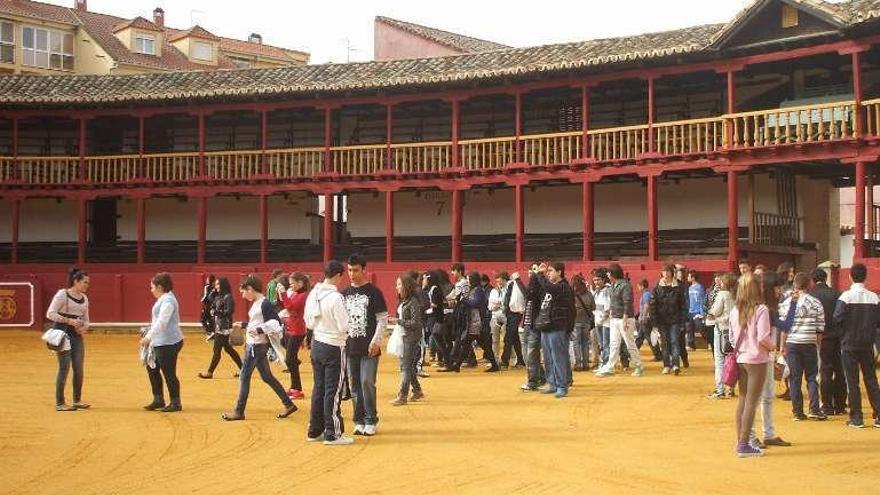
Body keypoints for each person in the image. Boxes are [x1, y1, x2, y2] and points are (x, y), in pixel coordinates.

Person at [222, 274, 297, 421]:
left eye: (243, 292)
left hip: (255, 346)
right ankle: (288, 404)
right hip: (256, 345)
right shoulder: (259, 303)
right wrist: (244, 325)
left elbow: (276, 323)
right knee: (267, 377)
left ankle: (239, 411)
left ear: (250, 288)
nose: (243, 295)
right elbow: (259, 322)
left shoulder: (264, 303)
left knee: (244, 376)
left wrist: (259, 330)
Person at [305, 260, 353, 445]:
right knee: (332, 391)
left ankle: (314, 430)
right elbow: (343, 325)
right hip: (334, 346)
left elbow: (308, 322)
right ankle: (332, 433)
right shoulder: (336, 297)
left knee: (319, 388)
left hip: (317, 343)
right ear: (338, 275)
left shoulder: (314, 293)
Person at [342, 254, 388, 437]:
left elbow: (382, 319)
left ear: (363, 270)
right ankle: (358, 419)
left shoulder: (374, 292)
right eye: (349, 270)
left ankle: (371, 419)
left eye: (355, 270)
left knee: (367, 381)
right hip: (350, 345)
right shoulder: (344, 293)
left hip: (369, 346)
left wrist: (376, 341)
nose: (352, 274)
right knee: (355, 385)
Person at [729, 274, 774, 458]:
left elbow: (732, 338)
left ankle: (741, 439)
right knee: (752, 402)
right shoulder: (761, 309)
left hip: (741, 357)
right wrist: (774, 348)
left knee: (743, 399)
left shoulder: (735, 311)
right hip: (757, 358)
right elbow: (763, 337)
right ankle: (744, 444)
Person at [750, 271, 795, 449]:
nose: (779, 290)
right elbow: (785, 326)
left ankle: (764, 434)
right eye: (777, 287)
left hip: (759, 356)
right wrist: (793, 304)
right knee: (760, 397)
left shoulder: (762, 308)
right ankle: (757, 435)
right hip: (761, 356)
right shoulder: (765, 310)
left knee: (764, 396)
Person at [832, 263, 880, 428]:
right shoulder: (874, 297)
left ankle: (857, 418)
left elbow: (837, 319)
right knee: (872, 380)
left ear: (850, 276)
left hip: (849, 344)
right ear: (865, 277)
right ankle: (879, 416)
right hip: (867, 344)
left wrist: (843, 336)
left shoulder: (845, 296)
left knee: (852, 381)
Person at [780, 272, 826, 421]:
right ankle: (814, 409)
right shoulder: (816, 303)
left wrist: (782, 346)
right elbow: (820, 328)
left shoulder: (787, 303)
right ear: (809, 285)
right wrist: (817, 345)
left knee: (794, 378)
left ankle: (797, 412)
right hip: (809, 342)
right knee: (812, 376)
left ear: (795, 285)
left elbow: (784, 328)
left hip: (792, 343)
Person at [46, 267, 91, 411]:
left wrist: (83, 328)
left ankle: (77, 400)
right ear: (76, 281)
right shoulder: (62, 294)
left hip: (76, 335)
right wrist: (70, 322)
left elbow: (86, 320)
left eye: (87, 283)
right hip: (62, 334)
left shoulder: (84, 298)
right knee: (64, 368)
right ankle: (60, 403)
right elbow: (50, 314)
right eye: (84, 282)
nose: (87, 285)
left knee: (79, 368)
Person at [141, 272, 184, 413]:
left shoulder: (168, 301)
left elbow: (162, 322)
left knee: (168, 372)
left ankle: (175, 402)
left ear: (160, 287)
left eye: (152, 287)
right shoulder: (165, 298)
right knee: (152, 369)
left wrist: (148, 336)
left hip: (168, 342)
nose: (151, 290)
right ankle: (158, 399)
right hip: (160, 341)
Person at [442, 272, 500, 373]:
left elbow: (476, 303)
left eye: (469, 279)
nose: (468, 281)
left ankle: (457, 365)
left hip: (477, 322)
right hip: (474, 321)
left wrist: (464, 300)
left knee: (468, 343)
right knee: (477, 344)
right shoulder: (475, 290)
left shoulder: (478, 291)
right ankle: (458, 365)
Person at [532, 262, 575, 397]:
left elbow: (548, 287)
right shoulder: (549, 288)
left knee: (558, 357)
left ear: (559, 272)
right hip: (547, 326)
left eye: (551, 271)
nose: (548, 273)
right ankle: (552, 383)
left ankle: (562, 385)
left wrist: (540, 274)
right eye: (548, 271)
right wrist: (535, 276)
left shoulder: (563, 287)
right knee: (548, 358)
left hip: (558, 326)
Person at [596, 264, 645, 377]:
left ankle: (639, 365)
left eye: (609, 273)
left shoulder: (625, 285)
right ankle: (610, 366)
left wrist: (625, 318)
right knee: (614, 343)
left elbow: (627, 302)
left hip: (624, 318)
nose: (607, 275)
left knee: (629, 343)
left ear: (613, 273)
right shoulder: (614, 285)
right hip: (615, 318)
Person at [809, 269, 846, 416]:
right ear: (826, 278)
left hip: (821, 337)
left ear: (813, 280)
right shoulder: (836, 293)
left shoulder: (811, 296)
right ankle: (840, 405)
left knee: (825, 370)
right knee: (839, 369)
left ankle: (827, 405)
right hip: (837, 336)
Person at [390, 274, 425, 406]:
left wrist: (398, 321)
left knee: (405, 367)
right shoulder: (406, 301)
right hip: (405, 336)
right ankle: (416, 390)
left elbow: (416, 323)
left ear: (406, 286)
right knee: (407, 366)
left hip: (410, 337)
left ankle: (403, 395)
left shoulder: (413, 302)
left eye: (399, 284)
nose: (397, 287)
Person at [198, 277, 242, 379]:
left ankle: (210, 372)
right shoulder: (220, 296)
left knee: (217, 350)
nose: (216, 286)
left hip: (223, 327)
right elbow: (210, 300)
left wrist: (217, 312)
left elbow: (230, 311)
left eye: (218, 285)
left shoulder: (228, 297)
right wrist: (213, 292)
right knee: (228, 349)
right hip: (219, 326)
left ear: (223, 285)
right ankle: (243, 369)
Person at [280, 272, 310, 400]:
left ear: (300, 283)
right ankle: (294, 387)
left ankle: (297, 388)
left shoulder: (303, 295)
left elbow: (290, 307)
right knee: (291, 359)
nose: (291, 285)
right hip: (294, 329)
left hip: (297, 330)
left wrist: (283, 294)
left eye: (293, 283)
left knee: (289, 359)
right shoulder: (298, 293)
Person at [653, 264, 687, 375]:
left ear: (672, 273)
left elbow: (683, 305)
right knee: (665, 343)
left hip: (675, 319)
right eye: (664, 271)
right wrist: (654, 321)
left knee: (674, 341)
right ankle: (666, 365)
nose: (666, 273)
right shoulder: (657, 287)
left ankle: (676, 364)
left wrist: (683, 321)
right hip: (662, 320)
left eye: (668, 271)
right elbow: (653, 305)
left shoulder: (679, 287)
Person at [707, 273, 736, 398]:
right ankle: (731, 387)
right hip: (734, 329)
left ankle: (720, 389)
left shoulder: (722, 294)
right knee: (732, 359)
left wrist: (710, 312)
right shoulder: (736, 295)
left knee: (719, 360)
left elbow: (715, 311)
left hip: (721, 328)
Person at [520, 262, 547, 390]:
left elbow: (529, 295)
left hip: (537, 324)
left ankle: (533, 381)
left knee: (532, 354)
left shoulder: (542, 284)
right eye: (531, 272)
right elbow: (528, 296)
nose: (531, 274)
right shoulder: (534, 284)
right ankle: (540, 377)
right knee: (531, 354)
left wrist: (536, 276)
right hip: (529, 323)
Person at [501, 271, 527, 370]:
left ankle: (504, 361)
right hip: (514, 314)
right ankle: (520, 360)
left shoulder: (511, 285)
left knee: (508, 338)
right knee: (514, 338)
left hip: (513, 314)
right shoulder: (514, 285)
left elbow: (510, 301)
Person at [571, 274, 595, 372]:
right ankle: (585, 364)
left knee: (576, 343)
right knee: (585, 343)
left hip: (576, 321)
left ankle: (578, 363)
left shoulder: (572, 294)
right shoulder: (589, 294)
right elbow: (593, 307)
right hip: (587, 321)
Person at [424, 272, 448, 367]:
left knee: (438, 337)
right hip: (437, 317)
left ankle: (444, 359)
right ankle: (444, 359)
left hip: (438, 317)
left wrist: (427, 306)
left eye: (425, 278)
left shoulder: (434, 289)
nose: (424, 280)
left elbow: (436, 304)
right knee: (438, 338)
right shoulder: (434, 289)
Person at [635, 278, 662, 362]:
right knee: (641, 337)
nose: (638, 288)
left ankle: (657, 355)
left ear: (642, 286)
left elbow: (646, 306)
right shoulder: (647, 294)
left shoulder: (646, 294)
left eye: (639, 286)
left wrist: (643, 317)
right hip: (646, 319)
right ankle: (632, 354)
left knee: (648, 338)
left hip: (645, 319)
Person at [591, 268, 611, 368]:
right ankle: (603, 363)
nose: (596, 282)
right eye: (594, 280)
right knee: (601, 344)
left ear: (603, 280)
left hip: (606, 322)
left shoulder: (607, 291)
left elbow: (608, 308)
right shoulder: (596, 292)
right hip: (597, 321)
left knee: (606, 344)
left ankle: (606, 364)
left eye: (598, 279)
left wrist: (601, 319)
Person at [488, 272, 507, 362]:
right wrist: (499, 303)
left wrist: (497, 303)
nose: (498, 283)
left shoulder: (508, 290)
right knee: (494, 340)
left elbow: (505, 303)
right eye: (497, 281)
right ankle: (495, 359)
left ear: (504, 280)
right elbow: (490, 306)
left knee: (507, 339)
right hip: (494, 315)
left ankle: (510, 359)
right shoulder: (493, 291)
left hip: (505, 315)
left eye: (499, 281)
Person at [686, 270, 706, 351]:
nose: (687, 278)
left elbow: (702, 300)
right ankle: (691, 345)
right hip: (690, 311)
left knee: (700, 328)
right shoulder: (689, 288)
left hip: (697, 311)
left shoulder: (700, 287)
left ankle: (710, 341)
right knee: (689, 328)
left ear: (693, 278)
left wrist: (702, 313)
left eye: (689, 276)